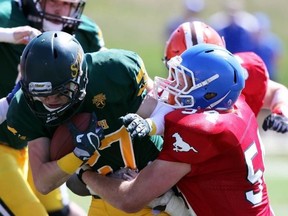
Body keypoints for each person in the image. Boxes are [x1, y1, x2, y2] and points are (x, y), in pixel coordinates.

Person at [77, 43, 275, 215]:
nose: (174, 85)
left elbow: (130, 199)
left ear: (210, 93)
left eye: (184, 81)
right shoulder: (236, 102)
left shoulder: (200, 130)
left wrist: (85, 175)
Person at [6, 31, 184, 216]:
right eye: (41, 94)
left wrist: (154, 177)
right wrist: (78, 156)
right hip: (105, 197)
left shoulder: (112, 73)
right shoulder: (26, 108)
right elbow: (43, 182)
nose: (50, 100)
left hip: (158, 193)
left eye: (60, 91)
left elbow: (169, 121)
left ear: (80, 76)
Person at [0, 0, 105, 215]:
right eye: (55, 2)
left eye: (68, 4)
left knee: (59, 210)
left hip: (27, 144)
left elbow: (104, 75)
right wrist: (7, 35)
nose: (60, 10)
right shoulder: (6, 15)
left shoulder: (84, 31)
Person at [163, 20, 288, 133]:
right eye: (179, 72)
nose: (179, 81)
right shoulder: (166, 93)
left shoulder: (237, 76)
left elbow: (277, 91)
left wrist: (281, 111)